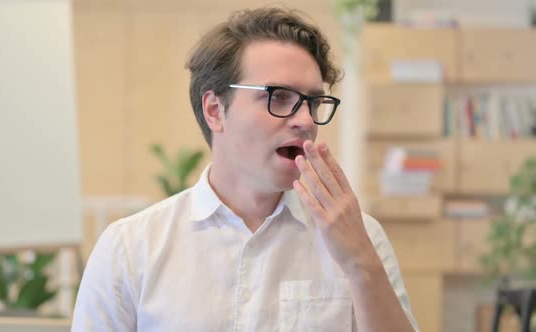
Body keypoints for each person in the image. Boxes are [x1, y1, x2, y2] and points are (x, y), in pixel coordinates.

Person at [72, 7, 419, 332]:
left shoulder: (362, 237)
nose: (305, 121)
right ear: (214, 110)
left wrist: (361, 264)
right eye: (280, 97)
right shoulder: (131, 249)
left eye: (313, 102)